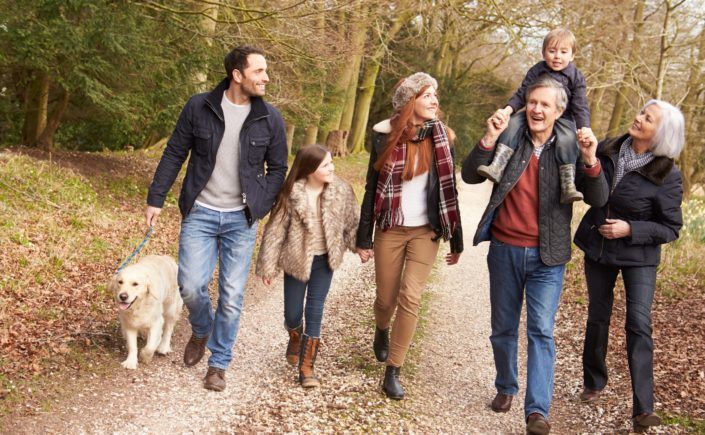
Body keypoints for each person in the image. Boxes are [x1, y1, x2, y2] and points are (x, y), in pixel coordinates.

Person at [461, 75, 607, 434]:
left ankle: (537, 411)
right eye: (532, 103)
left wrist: (591, 159)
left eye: (545, 104)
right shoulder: (512, 137)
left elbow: (599, 198)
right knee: (503, 329)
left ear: (559, 111)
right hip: (505, 249)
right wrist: (488, 138)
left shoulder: (570, 146)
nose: (536, 110)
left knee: (541, 331)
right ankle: (506, 386)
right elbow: (469, 176)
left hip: (548, 257)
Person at [145, 45, 288, 391]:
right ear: (237, 75)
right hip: (201, 212)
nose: (266, 77)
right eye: (259, 71)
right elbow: (175, 152)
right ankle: (201, 328)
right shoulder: (200, 106)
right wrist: (156, 199)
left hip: (241, 219)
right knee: (191, 285)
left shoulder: (270, 118)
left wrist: (259, 205)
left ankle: (218, 363)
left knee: (232, 294)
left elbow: (279, 168)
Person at [573, 100, 684, 433]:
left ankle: (643, 408)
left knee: (638, 322)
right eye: (640, 113)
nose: (638, 119)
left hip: (639, 256)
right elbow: (584, 187)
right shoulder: (608, 147)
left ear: (660, 133)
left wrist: (631, 229)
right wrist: (588, 159)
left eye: (647, 119)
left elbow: (671, 227)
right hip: (599, 246)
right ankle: (594, 381)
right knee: (598, 315)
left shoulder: (667, 174)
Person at [356, 72, 463, 400]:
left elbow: (450, 192)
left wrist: (456, 241)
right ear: (409, 101)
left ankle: (393, 370)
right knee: (385, 299)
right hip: (390, 228)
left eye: (436, 95)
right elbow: (372, 188)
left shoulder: (442, 138)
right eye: (426, 94)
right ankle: (381, 329)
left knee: (410, 297)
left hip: (425, 232)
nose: (434, 100)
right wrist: (364, 238)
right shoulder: (384, 137)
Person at [256, 144, 359, 388]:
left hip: (325, 261)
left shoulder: (341, 190)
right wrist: (268, 266)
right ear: (310, 169)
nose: (332, 168)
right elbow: (275, 230)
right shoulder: (291, 193)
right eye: (326, 165)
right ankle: (295, 335)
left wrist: (361, 246)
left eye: (332, 163)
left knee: (315, 308)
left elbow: (352, 222)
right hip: (297, 259)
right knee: (292, 313)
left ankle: (307, 367)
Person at [477, 28, 591, 204]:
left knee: (568, 139)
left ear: (572, 55)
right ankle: (498, 165)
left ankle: (568, 184)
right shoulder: (537, 70)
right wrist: (508, 110)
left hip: (564, 116)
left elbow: (580, 105)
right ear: (543, 53)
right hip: (533, 111)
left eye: (563, 52)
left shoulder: (576, 76)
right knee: (512, 125)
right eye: (552, 51)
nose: (557, 57)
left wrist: (584, 128)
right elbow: (522, 93)